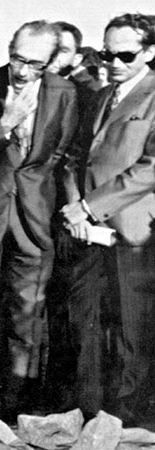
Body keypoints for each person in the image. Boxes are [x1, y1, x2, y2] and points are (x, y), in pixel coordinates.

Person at [0, 21, 79, 417]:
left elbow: (60, 155)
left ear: (50, 62)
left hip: (34, 217)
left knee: (27, 313)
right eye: (17, 59)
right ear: (7, 50)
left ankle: (17, 402)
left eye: (35, 63)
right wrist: (6, 122)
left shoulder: (64, 93)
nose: (23, 71)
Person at [60, 13, 155, 424]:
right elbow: (77, 158)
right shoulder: (101, 96)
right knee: (87, 324)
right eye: (106, 53)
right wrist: (76, 210)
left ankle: (129, 418)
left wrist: (90, 206)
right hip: (88, 231)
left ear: (150, 52)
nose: (113, 62)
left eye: (125, 55)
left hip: (132, 232)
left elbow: (150, 167)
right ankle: (90, 411)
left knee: (133, 331)